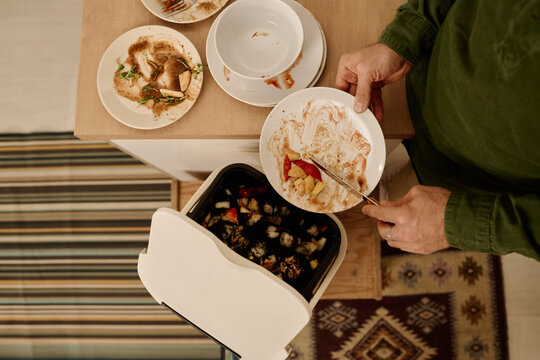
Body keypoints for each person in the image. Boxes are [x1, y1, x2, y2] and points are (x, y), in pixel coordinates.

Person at [335, 0, 540, 260]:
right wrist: (404, 37)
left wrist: (458, 223)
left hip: (480, 183)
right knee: (396, 177)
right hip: (421, 83)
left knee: (400, 205)